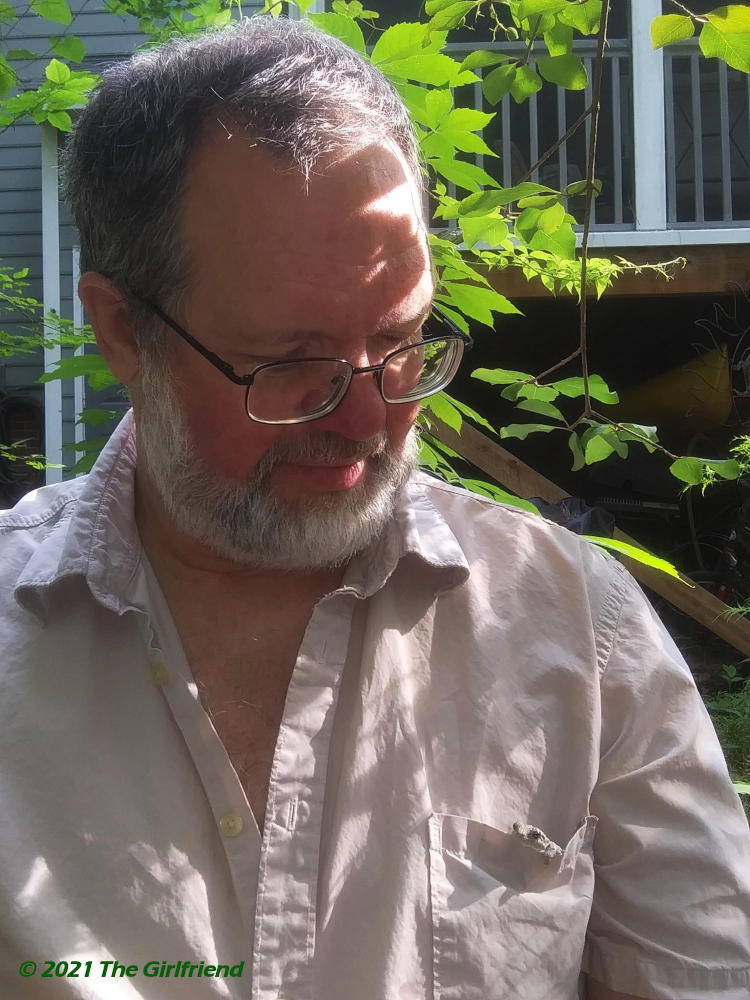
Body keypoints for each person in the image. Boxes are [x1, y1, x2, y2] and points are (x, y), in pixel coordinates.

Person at [0, 15, 748, 1000]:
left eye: (401, 342)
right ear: (122, 330)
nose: (368, 414)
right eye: (290, 363)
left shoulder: (578, 633)